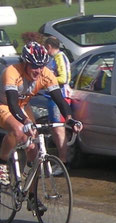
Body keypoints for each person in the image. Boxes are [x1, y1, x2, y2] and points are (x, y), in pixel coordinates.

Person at [0, 41, 82, 212]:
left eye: (41, 66)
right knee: (17, 129)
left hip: (23, 106)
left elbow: (59, 100)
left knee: (34, 151)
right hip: (5, 105)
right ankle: (2, 164)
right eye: (33, 66)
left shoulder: (46, 74)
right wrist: (26, 122)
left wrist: (70, 119)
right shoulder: (12, 72)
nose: (38, 70)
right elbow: (13, 105)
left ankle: (31, 196)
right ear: (25, 63)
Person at [44, 36, 71, 174]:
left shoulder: (59, 57)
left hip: (59, 97)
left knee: (59, 129)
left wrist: (47, 79)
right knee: (54, 129)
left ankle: (63, 162)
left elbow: (64, 78)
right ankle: (60, 160)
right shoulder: (53, 58)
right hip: (51, 97)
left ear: (49, 46)